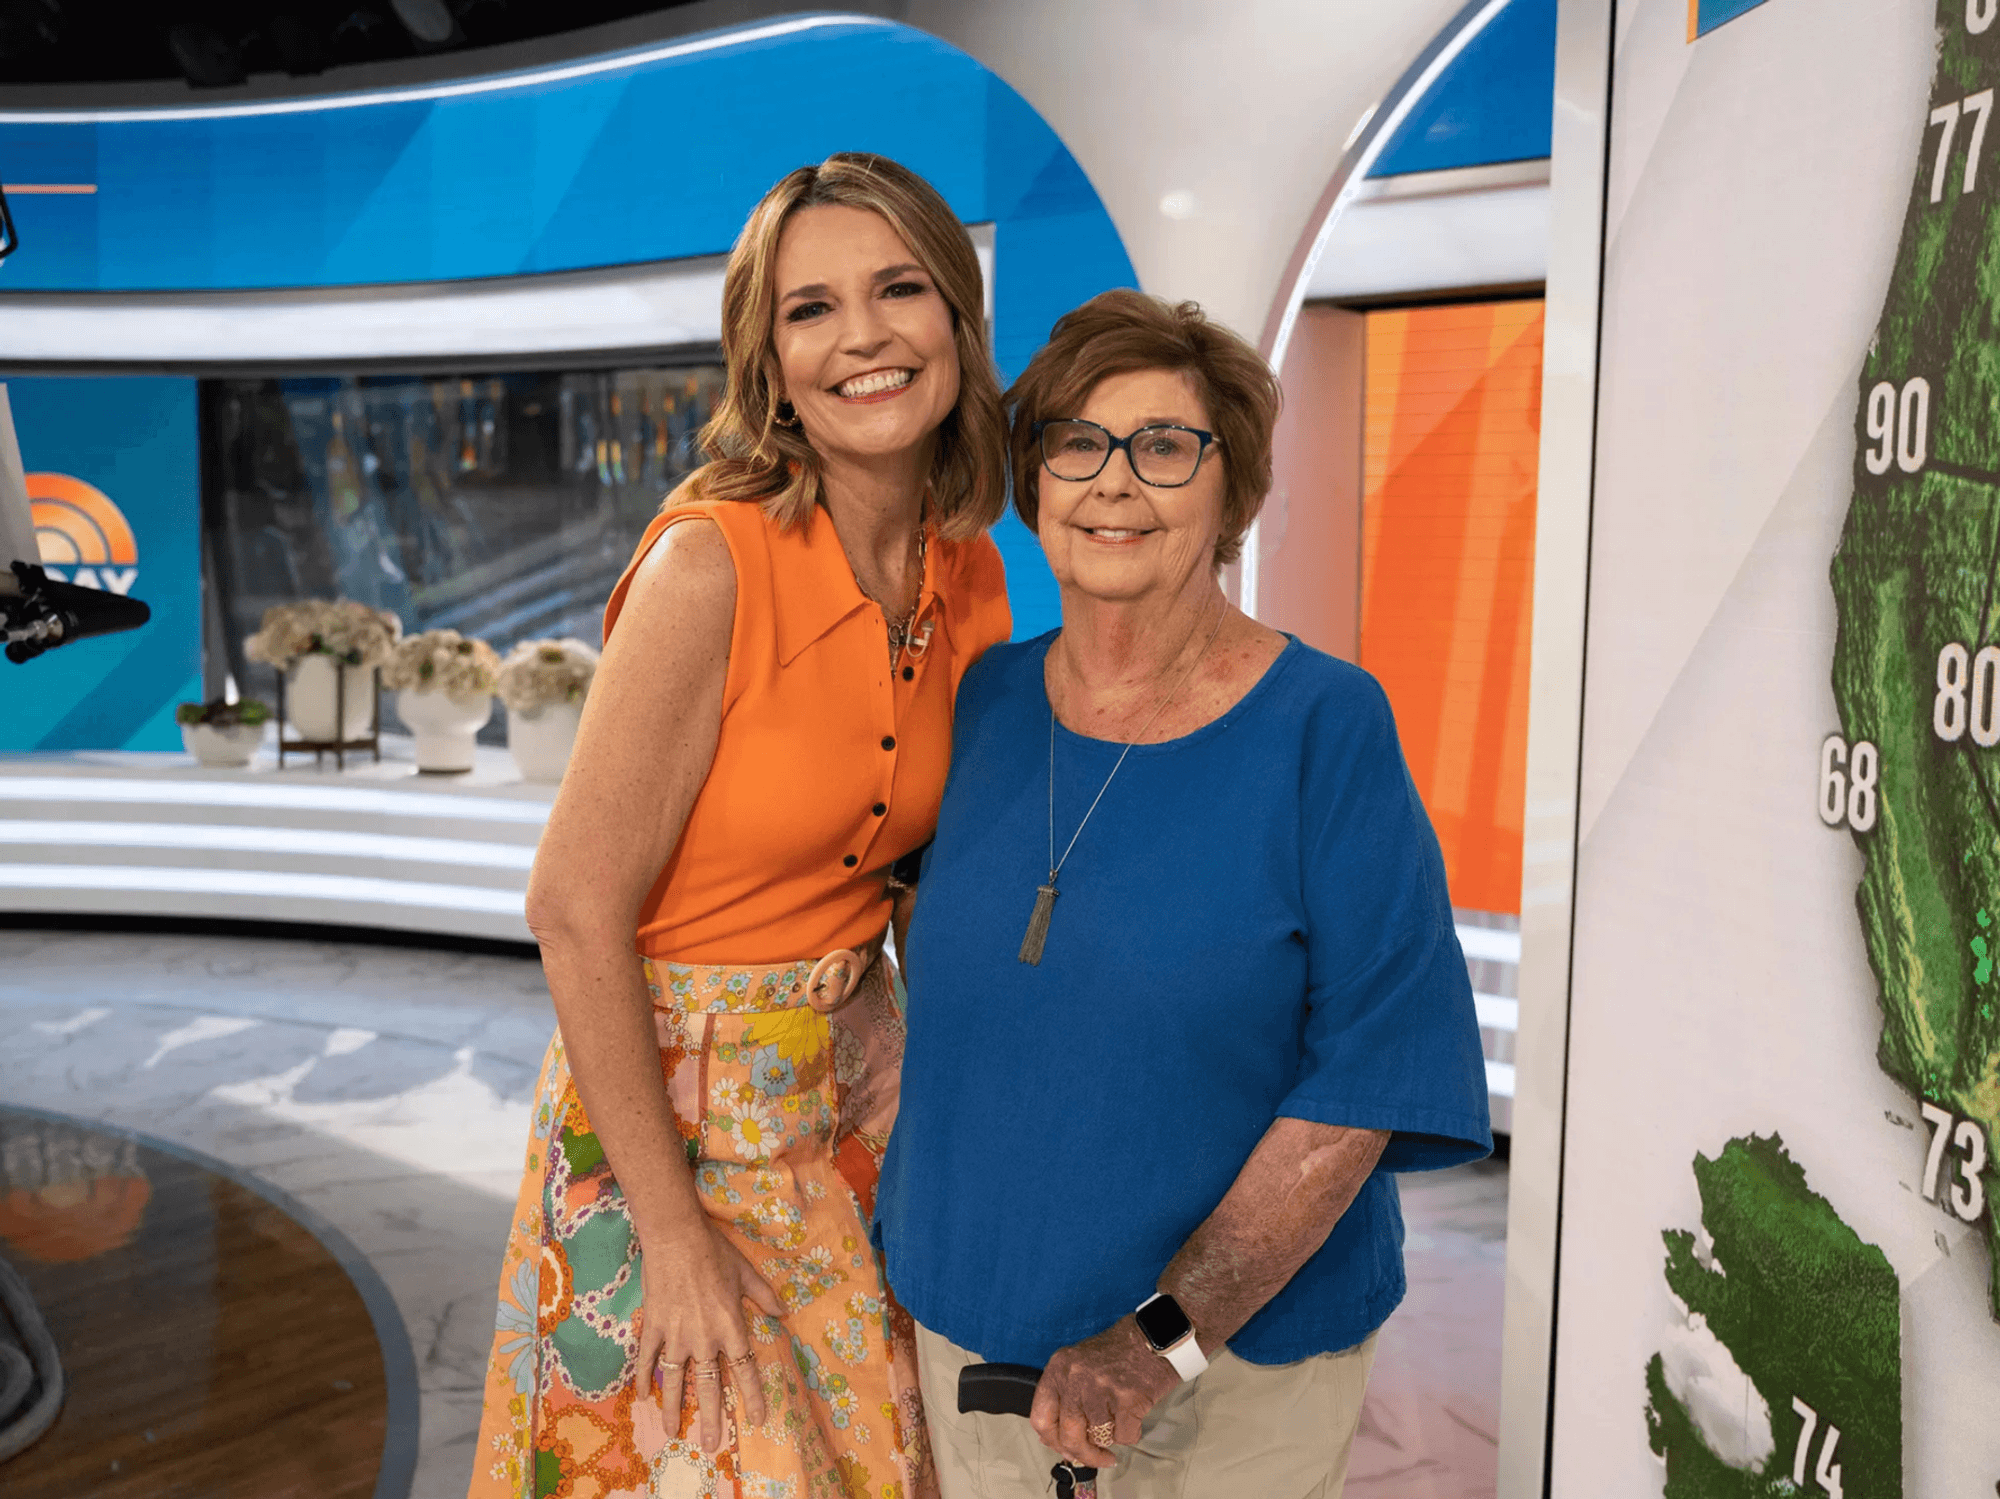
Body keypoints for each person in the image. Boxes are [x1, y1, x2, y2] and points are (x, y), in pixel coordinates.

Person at [874, 289, 1492, 1499]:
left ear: (1232, 492)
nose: (1113, 483)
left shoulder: (1324, 726)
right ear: (1033, 483)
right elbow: (923, 940)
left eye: (1164, 446)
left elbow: (1361, 1087)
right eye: (1075, 443)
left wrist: (1156, 1337)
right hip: (966, 1334)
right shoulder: (982, 703)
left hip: (1228, 1383)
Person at [467, 152, 1012, 1499]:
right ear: (767, 359)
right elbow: (573, 904)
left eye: (899, 288)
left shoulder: (970, 568)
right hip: (660, 1124)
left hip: (839, 1117)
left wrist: (900, 1007)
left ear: (957, 316)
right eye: (809, 309)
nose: (863, 336)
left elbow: (914, 855)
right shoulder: (709, 561)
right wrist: (669, 1230)